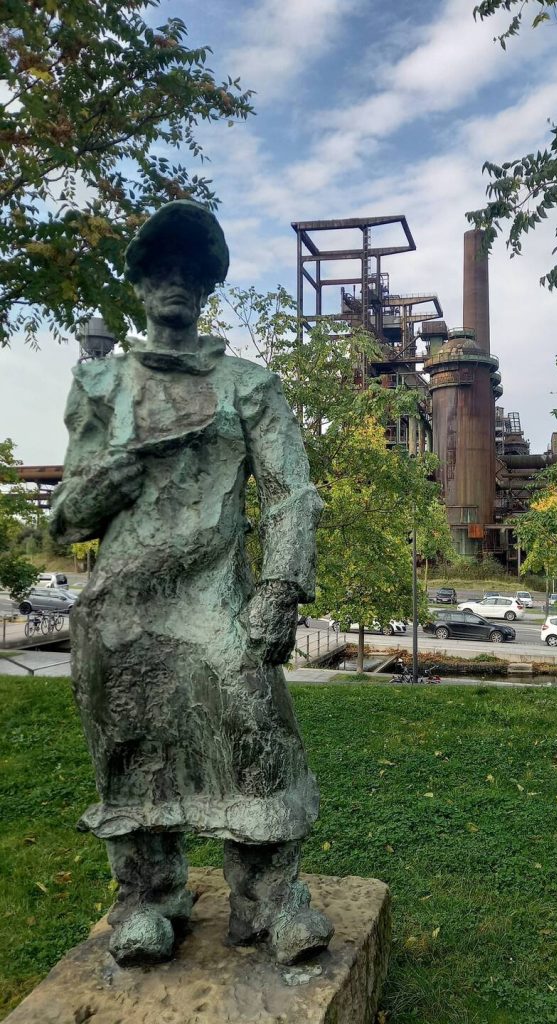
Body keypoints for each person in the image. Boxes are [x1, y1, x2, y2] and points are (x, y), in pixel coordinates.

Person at [50, 201, 333, 967]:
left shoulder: (250, 385)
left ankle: (270, 897)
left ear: (207, 287)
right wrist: (109, 479)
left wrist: (280, 588)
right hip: (123, 604)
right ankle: (150, 897)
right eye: (161, 268)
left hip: (217, 597)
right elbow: (65, 519)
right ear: (140, 284)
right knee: (131, 739)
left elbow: (291, 494)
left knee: (253, 721)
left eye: (190, 270)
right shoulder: (101, 384)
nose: (175, 281)